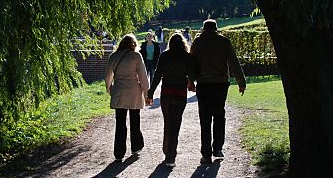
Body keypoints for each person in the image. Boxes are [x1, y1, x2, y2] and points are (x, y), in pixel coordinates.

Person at [190, 19, 246, 165]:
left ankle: (206, 154)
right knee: (219, 115)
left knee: (205, 118)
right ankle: (218, 148)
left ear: (203, 28)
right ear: (216, 28)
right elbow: (233, 62)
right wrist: (241, 82)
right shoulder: (224, 42)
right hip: (220, 84)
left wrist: (191, 81)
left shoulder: (198, 42)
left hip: (203, 83)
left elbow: (192, 64)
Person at [146, 33, 195, 167]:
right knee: (176, 123)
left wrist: (150, 93)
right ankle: (170, 156)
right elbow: (192, 74)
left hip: (166, 93)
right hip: (180, 93)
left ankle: (166, 149)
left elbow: (157, 75)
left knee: (168, 122)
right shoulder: (187, 57)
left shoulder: (164, 56)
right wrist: (191, 83)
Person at [105, 34, 149, 161]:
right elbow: (142, 76)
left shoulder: (114, 56)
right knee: (135, 120)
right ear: (133, 44)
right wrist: (146, 92)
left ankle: (119, 153)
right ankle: (136, 146)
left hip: (119, 90)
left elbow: (108, 75)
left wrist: (109, 88)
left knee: (120, 123)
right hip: (134, 92)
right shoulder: (135, 56)